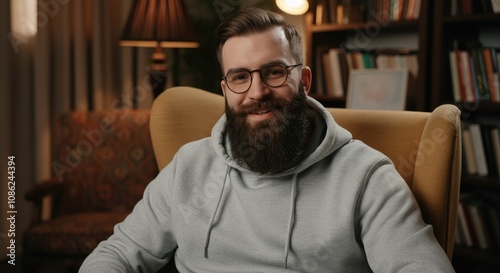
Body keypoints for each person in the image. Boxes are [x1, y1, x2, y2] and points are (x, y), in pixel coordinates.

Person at [80, 8, 455, 273]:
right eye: (240, 77)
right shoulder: (189, 166)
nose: (257, 92)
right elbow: (119, 253)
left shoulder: (366, 176)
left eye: (274, 72)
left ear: (304, 81)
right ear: (226, 89)